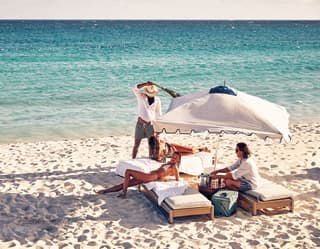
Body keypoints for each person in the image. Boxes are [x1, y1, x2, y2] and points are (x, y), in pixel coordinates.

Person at [95, 151, 181, 197]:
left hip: (151, 177)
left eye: (175, 158)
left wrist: (165, 179)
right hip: (149, 175)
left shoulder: (174, 168)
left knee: (128, 172)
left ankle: (124, 193)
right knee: (125, 184)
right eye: (173, 156)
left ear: (178, 160)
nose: (173, 158)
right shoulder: (168, 163)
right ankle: (105, 191)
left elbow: (177, 179)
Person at [132, 81, 162, 159]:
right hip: (140, 124)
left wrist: (158, 128)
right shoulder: (141, 96)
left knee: (151, 145)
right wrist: (145, 84)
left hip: (151, 125)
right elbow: (134, 88)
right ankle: (133, 159)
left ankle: (150, 159)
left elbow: (159, 113)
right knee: (136, 144)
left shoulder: (157, 100)